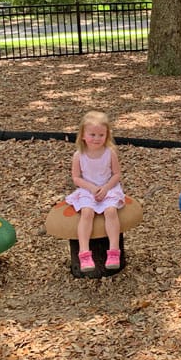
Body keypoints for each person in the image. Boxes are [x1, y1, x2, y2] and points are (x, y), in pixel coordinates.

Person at [65, 111, 126, 272]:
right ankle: (84, 252)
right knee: (87, 213)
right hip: (88, 189)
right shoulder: (79, 155)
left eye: (101, 135)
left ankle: (114, 252)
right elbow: (76, 178)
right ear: (83, 135)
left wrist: (105, 188)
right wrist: (92, 188)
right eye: (92, 134)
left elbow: (117, 174)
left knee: (111, 211)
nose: (97, 138)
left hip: (108, 188)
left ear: (107, 135)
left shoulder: (109, 153)